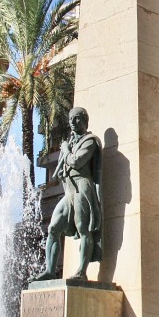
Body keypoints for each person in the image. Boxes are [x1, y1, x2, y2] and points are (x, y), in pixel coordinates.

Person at [33, 108, 102, 281]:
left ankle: (82, 271)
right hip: (69, 189)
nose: (73, 122)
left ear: (85, 120)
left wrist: (65, 149)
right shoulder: (71, 143)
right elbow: (67, 166)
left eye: (77, 119)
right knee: (53, 228)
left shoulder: (90, 141)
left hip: (82, 186)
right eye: (71, 119)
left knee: (83, 228)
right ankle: (50, 270)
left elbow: (77, 162)